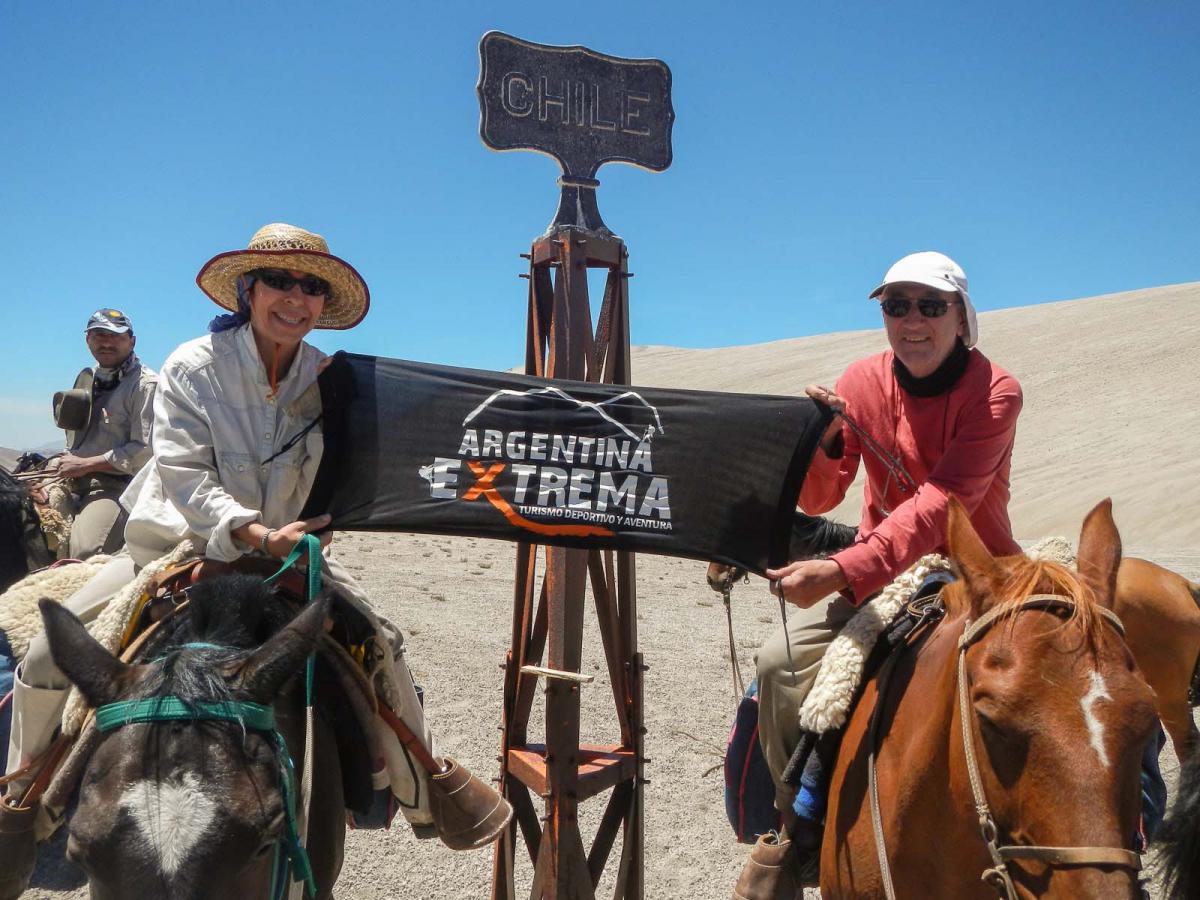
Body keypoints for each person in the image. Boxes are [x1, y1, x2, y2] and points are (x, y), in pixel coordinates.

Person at [0, 223, 496, 898]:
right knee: (45, 657)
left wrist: (318, 526)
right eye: (279, 281)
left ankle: (428, 788)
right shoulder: (192, 365)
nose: (296, 297)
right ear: (249, 290)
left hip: (288, 554)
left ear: (322, 303)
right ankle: (22, 808)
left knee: (381, 643)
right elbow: (182, 471)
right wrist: (255, 535)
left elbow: (347, 468)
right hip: (179, 544)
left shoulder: (329, 379)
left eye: (311, 286)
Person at [735, 251, 1024, 895]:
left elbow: (945, 503)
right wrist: (825, 439)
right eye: (897, 306)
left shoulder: (996, 392)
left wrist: (842, 567)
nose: (912, 321)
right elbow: (820, 497)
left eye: (930, 305)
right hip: (883, 585)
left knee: (1080, 671)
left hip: (977, 573)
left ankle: (1119, 832)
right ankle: (795, 831)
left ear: (961, 317)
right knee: (779, 666)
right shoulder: (861, 380)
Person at [55, 309, 157, 558]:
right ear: (88, 340)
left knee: (86, 551)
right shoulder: (88, 379)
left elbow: (144, 451)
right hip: (71, 476)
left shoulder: (145, 385)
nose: (107, 342)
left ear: (132, 341)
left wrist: (87, 465)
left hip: (115, 485)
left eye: (116, 336)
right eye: (99, 335)